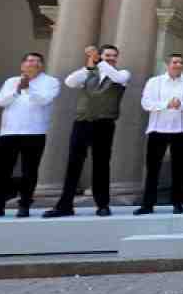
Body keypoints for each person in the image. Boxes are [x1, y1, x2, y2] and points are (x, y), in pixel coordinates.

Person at [44, 45, 131, 218]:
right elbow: (70, 81)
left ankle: (103, 204)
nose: (111, 58)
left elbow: (117, 76)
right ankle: (65, 205)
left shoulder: (122, 74)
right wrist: (90, 65)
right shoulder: (90, 72)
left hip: (104, 124)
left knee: (101, 164)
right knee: (74, 164)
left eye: (114, 56)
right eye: (107, 55)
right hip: (82, 123)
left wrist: (99, 61)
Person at [0, 52, 60, 219]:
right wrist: (17, 89)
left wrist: (29, 88)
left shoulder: (50, 82)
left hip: (34, 132)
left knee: (29, 171)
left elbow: (44, 100)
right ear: (22, 65)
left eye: (37, 61)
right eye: (30, 61)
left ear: (42, 65)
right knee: (3, 171)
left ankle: (24, 205)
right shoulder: (11, 81)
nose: (33, 64)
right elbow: (1, 101)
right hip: (9, 131)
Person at [136, 53, 183, 215]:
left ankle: (178, 203)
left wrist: (181, 104)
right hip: (158, 129)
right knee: (153, 169)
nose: (178, 65)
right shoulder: (154, 82)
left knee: (179, 169)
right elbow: (146, 103)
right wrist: (166, 104)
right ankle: (148, 205)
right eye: (174, 62)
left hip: (181, 130)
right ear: (167, 64)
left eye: (180, 62)